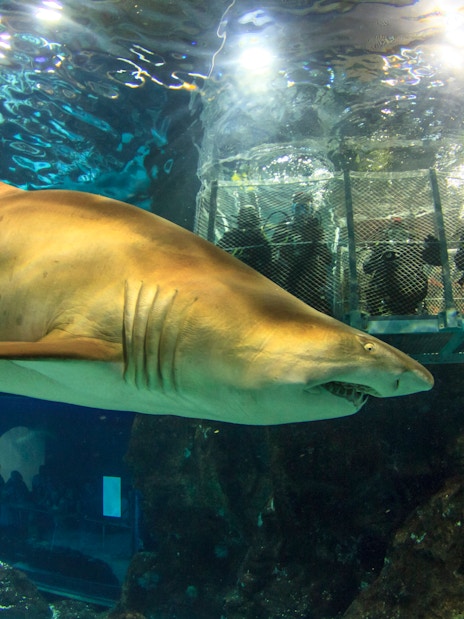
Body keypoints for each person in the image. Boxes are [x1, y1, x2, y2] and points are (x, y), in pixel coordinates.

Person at [271, 192, 333, 314]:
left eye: (305, 208)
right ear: (292, 208)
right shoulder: (284, 225)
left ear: (311, 209)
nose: (301, 213)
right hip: (288, 272)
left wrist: (317, 243)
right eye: (298, 208)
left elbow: (327, 257)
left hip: (310, 274)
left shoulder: (315, 227)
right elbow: (272, 247)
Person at [363, 219, 439, 315]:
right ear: (389, 234)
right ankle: (374, 310)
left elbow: (436, 262)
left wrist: (434, 252)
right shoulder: (382, 248)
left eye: (402, 233)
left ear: (407, 234)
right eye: (394, 233)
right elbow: (367, 268)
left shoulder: (414, 248)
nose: (398, 236)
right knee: (373, 285)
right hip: (387, 292)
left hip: (413, 292)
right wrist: (383, 259)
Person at [217, 205, 272, 277]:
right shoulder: (259, 235)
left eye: (250, 217)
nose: (247, 220)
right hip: (244, 274)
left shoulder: (231, 234)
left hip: (239, 273)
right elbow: (268, 258)